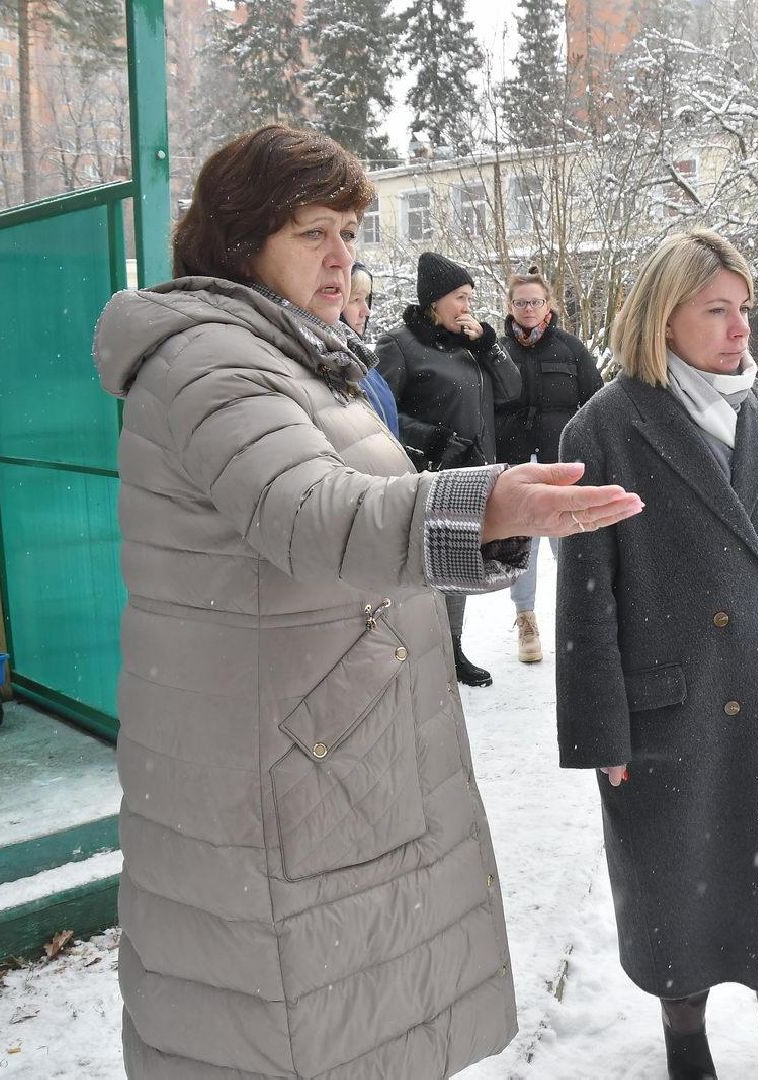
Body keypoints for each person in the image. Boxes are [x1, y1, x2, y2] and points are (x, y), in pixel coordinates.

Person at [92, 124, 641, 1079]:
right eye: (314, 233)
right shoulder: (213, 361)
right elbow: (307, 512)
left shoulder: (294, 352)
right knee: (292, 1024)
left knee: (350, 1015)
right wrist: (482, 505)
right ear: (239, 241)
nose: (343, 256)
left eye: (349, 231)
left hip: (324, 751)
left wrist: (483, 505)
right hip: (283, 765)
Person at [555, 229, 758, 1078]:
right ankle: (683, 1032)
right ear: (665, 317)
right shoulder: (605, 425)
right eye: (716, 312)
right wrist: (600, 733)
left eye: (745, 311)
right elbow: (586, 596)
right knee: (675, 870)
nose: (741, 331)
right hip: (668, 701)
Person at [376, 251, 523, 688]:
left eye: (470, 297)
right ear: (434, 301)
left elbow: (512, 389)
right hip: (426, 474)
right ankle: (417, 649)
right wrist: (432, 439)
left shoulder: (469, 344)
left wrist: (488, 347)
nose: (467, 306)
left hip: (473, 472)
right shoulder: (399, 344)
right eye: (460, 297)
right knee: (426, 567)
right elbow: (377, 410)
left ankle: (450, 649)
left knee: (457, 563)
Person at [495, 264, 603, 663]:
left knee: (569, 544)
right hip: (514, 462)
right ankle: (526, 620)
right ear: (509, 305)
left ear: (548, 304)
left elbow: (595, 403)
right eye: (521, 302)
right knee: (522, 542)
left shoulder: (570, 349)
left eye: (535, 301)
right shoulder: (495, 351)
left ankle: (579, 624)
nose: (528, 308)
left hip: (561, 461)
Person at [342, 261, 398, 433]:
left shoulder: (366, 364)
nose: (366, 311)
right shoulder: (333, 368)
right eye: (356, 299)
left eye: (366, 299)